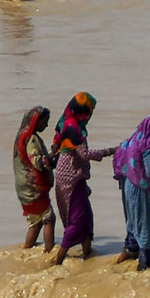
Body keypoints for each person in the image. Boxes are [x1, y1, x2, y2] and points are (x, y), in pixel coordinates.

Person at [51, 92, 116, 265]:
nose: (92, 113)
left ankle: (88, 257)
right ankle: (58, 259)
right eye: (91, 108)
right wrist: (110, 151)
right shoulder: (73, 127)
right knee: (77, 219)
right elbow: (84, 154)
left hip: (75, 175)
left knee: (86, 216)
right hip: (70, 178)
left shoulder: (66, 121)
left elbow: (56, 145)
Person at [113, 115, 150, 271]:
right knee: (145, 225)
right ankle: (144, 264)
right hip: (141, 189)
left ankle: (128, 252)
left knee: (133, 221)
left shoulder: (131, 140)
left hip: (128, 186)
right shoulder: (147, 146)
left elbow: (119, 160)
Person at [13, 106, 56, 252]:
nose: (46, 125)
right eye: (45, 121)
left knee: (35, 222)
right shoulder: (31, 139)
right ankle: (50, 253)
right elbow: (37, 162)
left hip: (24, 187)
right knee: (49, 218)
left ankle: (26, 250)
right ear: (36, 121)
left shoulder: (21, 136)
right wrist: (53, 154)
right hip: (33, 188)